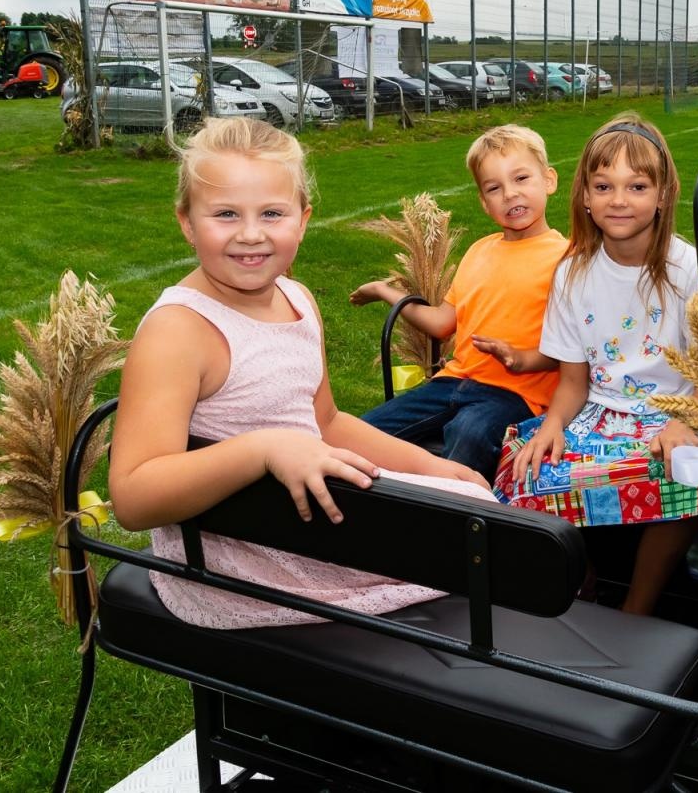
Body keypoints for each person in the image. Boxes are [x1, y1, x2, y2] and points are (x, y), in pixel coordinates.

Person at [108, 118, 492, 630]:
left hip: (301, 519)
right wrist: (265, 450)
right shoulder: (179, 331)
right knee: (485, 551)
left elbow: (326, 423)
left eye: (272, 213)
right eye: (225, 214)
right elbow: (134, 497)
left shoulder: (297, 298)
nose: (251, 234)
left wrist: (431, 466)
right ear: (187, 222)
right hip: (238, 554)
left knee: (469, 500)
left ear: (303, 219)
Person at [496, 114, 698, 616]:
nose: (618, 200)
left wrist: (684, 421)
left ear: (663, 195)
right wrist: (552, 425)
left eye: (637, 186)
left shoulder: (691, 269)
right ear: (585, 197)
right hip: (603, 411)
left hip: (677, 410)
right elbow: (573, 382)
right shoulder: (572, 273)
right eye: (603, 185)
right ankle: (581, 585)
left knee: (682, 471)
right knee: (523, 470)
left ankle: (636, 610)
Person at [352, 124, 567, 479]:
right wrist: (384, 290)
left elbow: (575, 350)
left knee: (469, 433)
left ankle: (455, 523)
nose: (510, 194)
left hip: (514, 394)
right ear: (484, 202)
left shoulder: (566, 258)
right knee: (361, 433)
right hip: (451, 383)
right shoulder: (479, 251)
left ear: (548, 180)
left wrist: (518, 358)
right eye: (494, 188)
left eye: (521, 179)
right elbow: (441, 322)